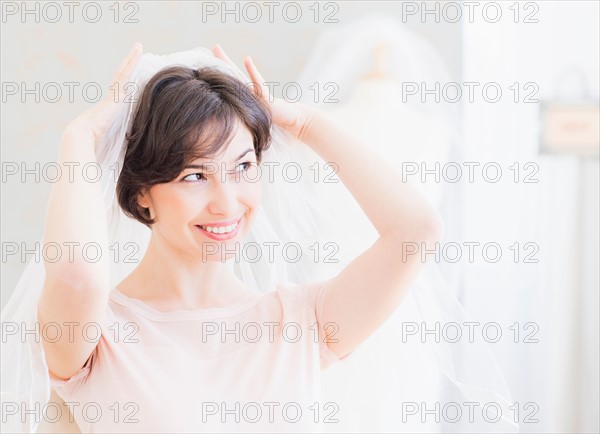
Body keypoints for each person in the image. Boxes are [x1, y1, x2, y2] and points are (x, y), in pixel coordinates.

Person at [7, 43, 442, 433]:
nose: (227, 202)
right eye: (195, 175)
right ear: (142, 193)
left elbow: (415, 231)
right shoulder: (97, 336)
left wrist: (306, 124)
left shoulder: (300, 324)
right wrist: (80, 138)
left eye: (244, 167)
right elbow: (74, 276)